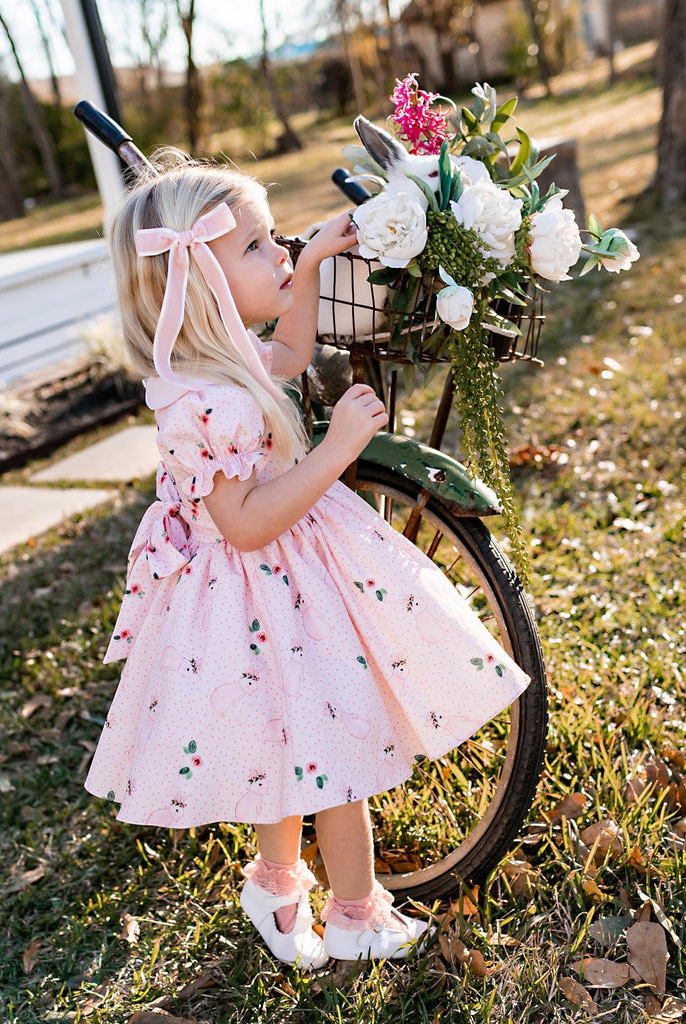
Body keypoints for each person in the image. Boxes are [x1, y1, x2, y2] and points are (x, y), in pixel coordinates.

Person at [84, 151, 531, 967]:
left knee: (293, 754)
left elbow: (288, 356)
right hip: (256, 598)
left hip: (294, 585)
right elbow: (246, 523)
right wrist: (336, 450)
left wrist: (317, 258)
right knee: (334, 754)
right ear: (200, 283)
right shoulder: (197, 405)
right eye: (255, 247)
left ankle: (275, 883)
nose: (276, 252)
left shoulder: (223, 365)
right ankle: (357, 917)